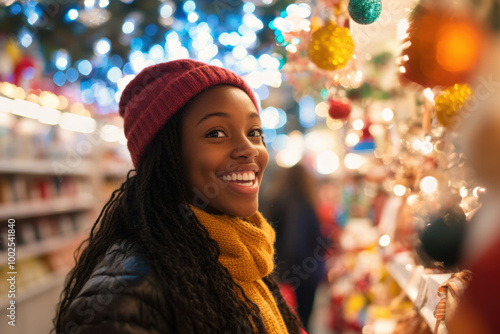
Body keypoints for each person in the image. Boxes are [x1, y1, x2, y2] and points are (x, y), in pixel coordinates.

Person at [53, 59, 305, 334]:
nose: (249, 150)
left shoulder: (247, 260)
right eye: (216, 133)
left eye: (254, 132)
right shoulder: (127, 294)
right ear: (167, 156)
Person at [263, 164, 326, 331]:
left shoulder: (276, 201)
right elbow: (295, 242)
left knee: (287, 323)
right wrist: (287, 276)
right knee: (302, 323)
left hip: (284, 272)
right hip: (301, 275)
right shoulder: (301, 204)